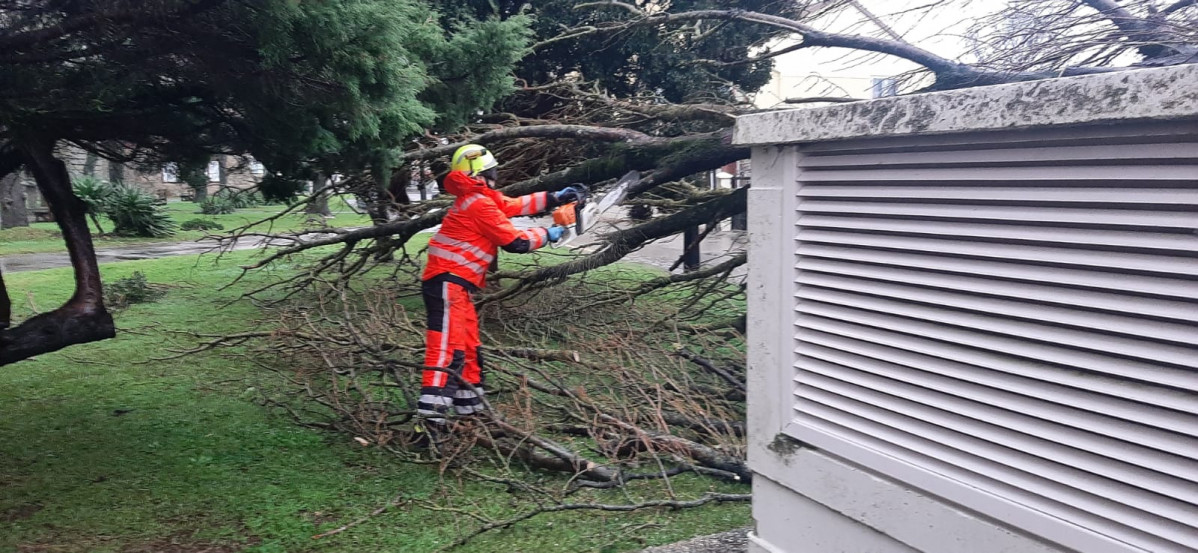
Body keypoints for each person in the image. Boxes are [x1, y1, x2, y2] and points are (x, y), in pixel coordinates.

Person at [417, 144, 580, 429]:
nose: (497, 175)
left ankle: (470, 413)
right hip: (446, 283)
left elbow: (515, 205)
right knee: (447, 350)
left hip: (456, 285)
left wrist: (555, 197)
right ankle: (429, 423)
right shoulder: (478, 204)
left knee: (469, 349)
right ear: (481, 174)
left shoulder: (481, 198)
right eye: (492, 171)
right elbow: (515, 242)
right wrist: (550, 233)